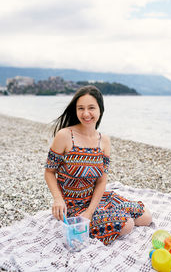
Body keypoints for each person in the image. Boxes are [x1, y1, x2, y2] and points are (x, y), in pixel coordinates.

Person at [45, 85, 152, 245]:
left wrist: (91, 212)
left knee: (145, 217)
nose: (86, 113)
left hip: (96, 198)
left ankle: (105, 215)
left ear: (100, 110)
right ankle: (106, 218)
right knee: (127, 225)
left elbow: (102, 180)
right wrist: (58, 199)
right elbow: (49, 172)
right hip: (72, 205)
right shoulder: (65, 135)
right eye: (81, 108)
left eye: (91, 108)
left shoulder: (104, 140)